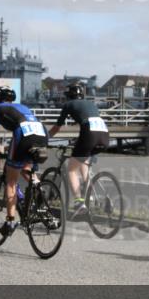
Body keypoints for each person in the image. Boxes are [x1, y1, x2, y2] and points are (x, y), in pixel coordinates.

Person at [0, 86, 49, 238]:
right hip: (41, 133)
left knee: (11, 181)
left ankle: (10, 221)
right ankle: (38, 187)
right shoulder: (23, 107)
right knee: (26, 167)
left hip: (22, 135)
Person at [48, 82, 109, 215]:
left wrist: (46, 138)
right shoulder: (91, 104)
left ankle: (79, 201)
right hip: (104, 134)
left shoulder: (68, 105)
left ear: (69, 96)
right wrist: (79, 139)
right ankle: (90, 196)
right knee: (83, 161)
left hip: (89, 134)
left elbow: (56, 128)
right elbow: (88, 123)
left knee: (71, 169)